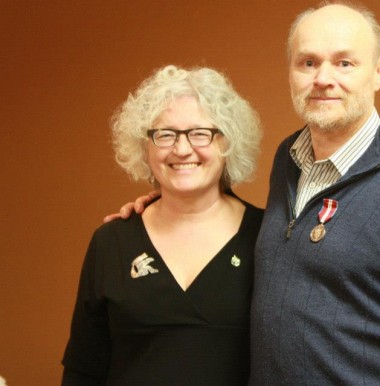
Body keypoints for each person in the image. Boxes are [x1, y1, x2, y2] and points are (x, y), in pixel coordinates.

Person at [112, 2, 380, 384]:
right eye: (308, 62)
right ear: (290, 73)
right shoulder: (288, 161)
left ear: (378, 71)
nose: (323, 78)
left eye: (344, 63)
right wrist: (168, 208)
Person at [62, 65, 263, 385]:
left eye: (200, 133)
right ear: (146, 146)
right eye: (165, 134)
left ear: (227, 143)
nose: (182, 149)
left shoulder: (267, 239)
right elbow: (84, 371)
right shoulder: (111, 242)